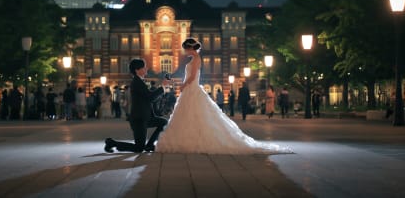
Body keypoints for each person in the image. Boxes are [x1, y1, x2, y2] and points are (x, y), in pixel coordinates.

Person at [156, 38, 289, 154]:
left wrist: (184, 85)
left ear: (190, 48)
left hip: (192, 88)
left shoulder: (196, 58)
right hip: (191, 89)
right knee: (191, 114)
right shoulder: (194, 58)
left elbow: (192, 76)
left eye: (185, 48)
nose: (184, 51)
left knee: (194, 114)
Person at [104, 58, 168, 153]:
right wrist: (162, 87)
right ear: (137, 70)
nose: (146, 69)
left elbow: (149, 98)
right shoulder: (137, 82)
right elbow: (150, 97)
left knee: (163, 122)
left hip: (145, 117)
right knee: (139, 148)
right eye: (144, 67)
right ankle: (112, 143)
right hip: (139, 120)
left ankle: (149, 145)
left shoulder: (140, 81)